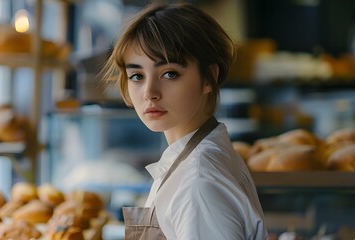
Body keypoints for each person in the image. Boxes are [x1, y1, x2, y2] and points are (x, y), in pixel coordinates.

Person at [102, 2, 268, 240]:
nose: (149, 92)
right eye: (137, 75)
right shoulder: (192, 159)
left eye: (169, 73)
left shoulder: (198, 183)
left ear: (209, 77)